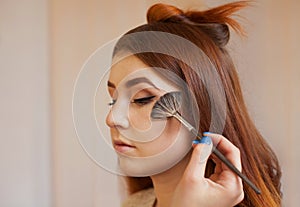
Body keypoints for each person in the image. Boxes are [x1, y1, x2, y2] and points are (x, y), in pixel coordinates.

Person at [105, 1, 282, 206]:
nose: (112, 119)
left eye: (142, 99)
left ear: (202, 110)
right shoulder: (135, 204)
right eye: (113, 100)